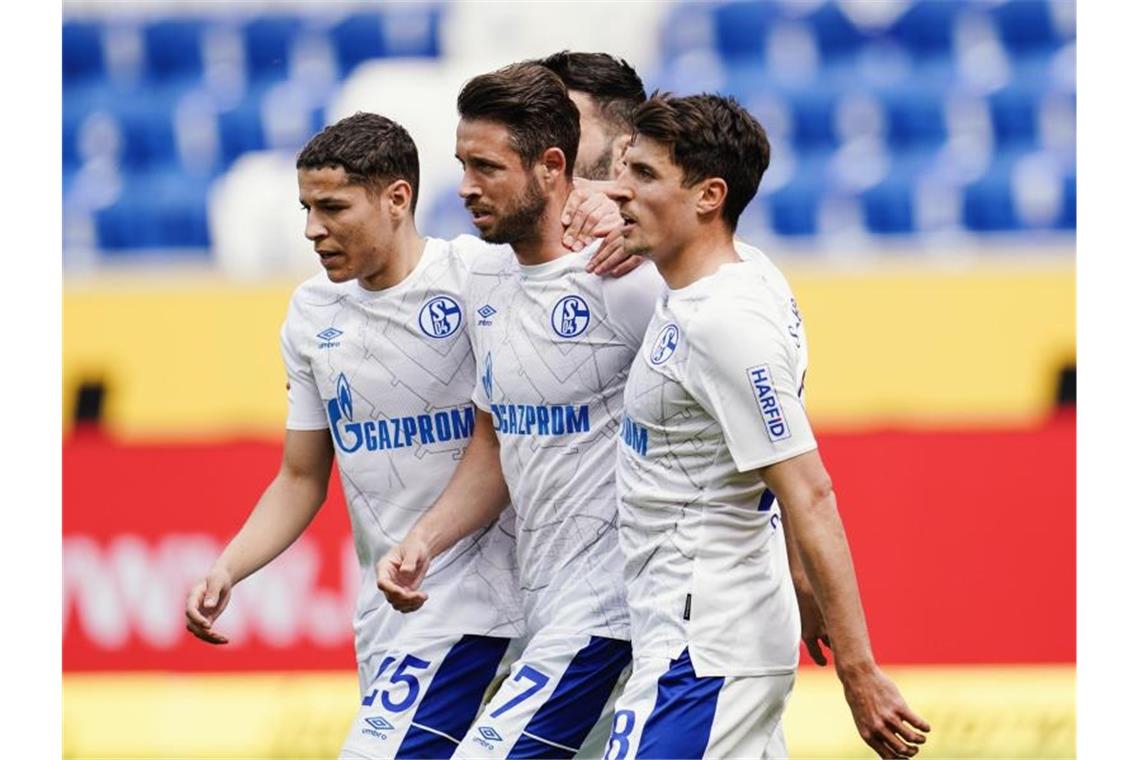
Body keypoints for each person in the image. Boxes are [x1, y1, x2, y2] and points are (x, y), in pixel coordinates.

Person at [183, 111, 626, 759]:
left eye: (333, 208)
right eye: (306, 208)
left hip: (487, 609)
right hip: (396, 616)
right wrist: (229, 566)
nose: (313, 229)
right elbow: (302, 475)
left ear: (397, 199)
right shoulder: (311, 314)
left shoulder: (481, 275)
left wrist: (605, 209)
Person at [603, 93, 932, 759]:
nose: (617, 192)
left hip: (704, 650)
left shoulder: (725, 323)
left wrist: (858, 671)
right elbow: (756, 462)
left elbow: (808, 489)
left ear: (708, 196)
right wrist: (802, 587)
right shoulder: (738, 274)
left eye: (643, 175)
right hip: (701, 635)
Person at [377, 63, 663, 759]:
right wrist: (426, 538)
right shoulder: (482, 280)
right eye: (461, 165)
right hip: (539, 610)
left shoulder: (626, 279)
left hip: (612, 615)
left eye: (486, 167)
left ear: (551, 166)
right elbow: (497, 442)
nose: (466, 186)